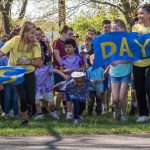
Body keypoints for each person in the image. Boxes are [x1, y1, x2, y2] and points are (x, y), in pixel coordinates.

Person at [0, 21, 42, 125]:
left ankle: (27, 109)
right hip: (15, 73)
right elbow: (1, 53)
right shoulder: (15, 40)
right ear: (24, 32)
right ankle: (24, 117)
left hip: (29, 72)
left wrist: (28, 61)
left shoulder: (36, 44)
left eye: (35, 33)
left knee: (31, 98)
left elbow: (38, 63)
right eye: (32, 33)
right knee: (23, 97)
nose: (34, 36)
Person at [109, 19, 133, 122]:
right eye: (112, 29)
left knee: (122, 96)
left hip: (125, 72)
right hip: (114, 73)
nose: (114, 31)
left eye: (116, 28)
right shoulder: (109, 41)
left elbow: (131, 58)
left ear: (123, 28)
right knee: (115, 99)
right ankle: (117, 111)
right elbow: (107, 56)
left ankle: (124, 114)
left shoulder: (128, 41)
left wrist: (119, 61)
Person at [34, 55, 69, 120]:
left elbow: (56, 71)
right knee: (37, 102)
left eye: (39, 61)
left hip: (48, 89)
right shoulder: (33, 69)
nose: (37, 62)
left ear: (42, 61)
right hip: (38, 89)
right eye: (35, 61)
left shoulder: (47, 68)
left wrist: (64, 75)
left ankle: (52, 112)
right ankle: (40, 114)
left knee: (52, 104)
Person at [132, 4, 150, 122]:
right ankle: (143, 114)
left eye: (142, 13)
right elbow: (131, 45)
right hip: (137, 62)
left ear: (149, 14)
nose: (139, 15)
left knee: (149, 87)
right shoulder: (135, 28)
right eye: (138, 13)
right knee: (139, 89)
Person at [60, 39, 85, 120]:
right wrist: (65, 72)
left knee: (77, 97)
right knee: (68, 97)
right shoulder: (63, 58)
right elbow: (61, 69)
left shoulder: (79, 57)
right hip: (68, 80)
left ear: (74, 48)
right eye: (66, 47)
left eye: (69, 47)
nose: (67, 48)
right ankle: (69, 113)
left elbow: (84, 67)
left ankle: (78, 113)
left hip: (78, 80)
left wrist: (76, 70)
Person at [52, 25, 74, 116]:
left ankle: (66, 109)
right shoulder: (57, 42)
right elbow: (57, 56)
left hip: (68, 69)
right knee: (61, 91)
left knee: (67, 90)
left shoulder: (69, 42)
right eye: (70, 34)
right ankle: (57, 109)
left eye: (72, 34)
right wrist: (64, 66)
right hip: (59, 69)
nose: (71, 36)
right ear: (64, 33)